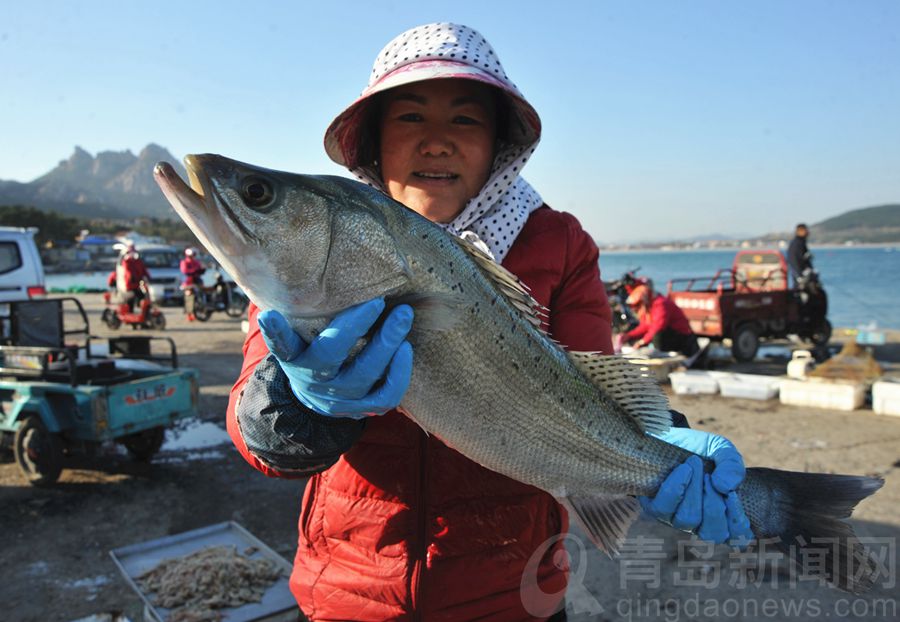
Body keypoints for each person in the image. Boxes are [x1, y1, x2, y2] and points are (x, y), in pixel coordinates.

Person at [226, 23, 752, 621]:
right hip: (348, 595)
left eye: (465, 119)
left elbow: (592, 377)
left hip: (516, 596)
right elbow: (257, 434)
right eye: (410, 117)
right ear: (373, 140)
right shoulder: (318, 247)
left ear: (501, 143)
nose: (437, 142)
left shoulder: (558, 243)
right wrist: (297, 404)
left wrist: (661, 441)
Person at [620, 283, 700, 358]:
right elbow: (645, 325)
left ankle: (664, 356)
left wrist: (642, 341)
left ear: (644, 300)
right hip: (674, 336)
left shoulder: (661, 304)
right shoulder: (650, 307)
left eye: (637, 305)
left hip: (683, 339)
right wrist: (629, 335)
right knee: (635, 334)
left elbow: (658, 327)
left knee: (657, 335)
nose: (635, 308)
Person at [117, 243, 150, 313]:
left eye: (133, 252)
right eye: (130, 253)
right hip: (130, 284)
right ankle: (130, 311)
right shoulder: (126, 262)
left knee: (144, 293)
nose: (132, 254)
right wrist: (132, 277)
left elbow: (144, 270)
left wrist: (147, 276)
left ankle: (144, 309)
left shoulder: (138, 261)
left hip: (139, 283)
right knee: (131, 297)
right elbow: (127, 272)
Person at [180, 247, 205, 321]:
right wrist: (194, 270)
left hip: (196, 281)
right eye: (191, 255)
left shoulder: (196, 262)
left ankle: (200, 309)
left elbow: (200, 269)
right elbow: (184, 271)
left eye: (193, 255)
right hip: (188, 283)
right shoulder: (184, 262)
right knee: (189, 298)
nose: (192, 256)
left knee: (201, 294)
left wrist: (201, 270)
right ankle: (189, 314)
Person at [786, 223, 814, 288]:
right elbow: (793, 260)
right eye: (805, 230)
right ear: (799, 231)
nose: (807, 232)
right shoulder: (796, 243)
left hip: (805, 274)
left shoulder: (802, 242)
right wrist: (799, 275)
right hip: (801, 276)